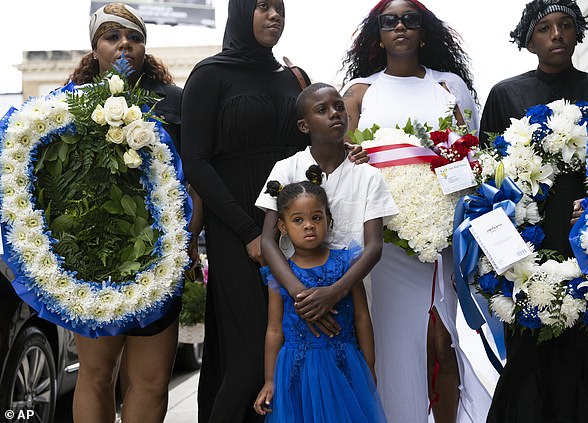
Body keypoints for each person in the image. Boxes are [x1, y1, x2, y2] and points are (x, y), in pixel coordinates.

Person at [180, 2, 365, 421]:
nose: (274, 15)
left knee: (288, 351)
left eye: (279, 7)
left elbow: (312, 142)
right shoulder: (210, 75)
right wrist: (248, 232)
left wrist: (345, 152)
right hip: (236, 230)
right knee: (248, 355)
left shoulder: (291, 78)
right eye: (262, 6)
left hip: (291, 230)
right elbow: (195, 161)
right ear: (241, 12)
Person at [479, 1, 588, 422]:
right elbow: (488, 181)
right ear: (529, 40)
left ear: (578, 32)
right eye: (545, 28)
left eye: (566, 25)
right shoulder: (506, 94)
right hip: (530, 244)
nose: (557, 35)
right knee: (534, 356)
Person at [340, 1, 491, 422]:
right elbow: (344, 164)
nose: (400, 27)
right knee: (391, 344)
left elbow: (469, 158)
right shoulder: (360, 92)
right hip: (381, 246)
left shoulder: (448, 87)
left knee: (443, 342)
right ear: (379, 34)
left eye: (411, 20)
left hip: (440, 237)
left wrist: (449, 215)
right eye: (390, 22)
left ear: (425, 33)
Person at [66, 3, 202, 423]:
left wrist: (187, 245)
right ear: (95, 48)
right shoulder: (66, 106)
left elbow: (196, 183)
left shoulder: (176, 102)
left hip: (158, 261)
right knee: (96, 374)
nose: (125, 45)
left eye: (135, 37)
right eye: (112, 37)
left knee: (150, 381)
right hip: (94, 263)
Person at [256, 83, 398, 342]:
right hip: (296, 300)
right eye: (322, 109)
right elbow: (267, 240)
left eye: (339, 107)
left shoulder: (368, 176)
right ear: (304, 126)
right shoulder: (286, 169)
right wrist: (302, 296)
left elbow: (374, 246)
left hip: (352, 298)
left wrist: (334, 292)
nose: (334, 113)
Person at [253, 177, 387, 422]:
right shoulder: (280, 275)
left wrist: (368, 368)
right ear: (282, 227)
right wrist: (270, 379)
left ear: (329, 219)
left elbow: (362, 318)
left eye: (316, 217)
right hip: (296, 369)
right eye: (298, 220)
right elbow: (273, 331)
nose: (308, 226)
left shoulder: (347, 262)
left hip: (343, 363)